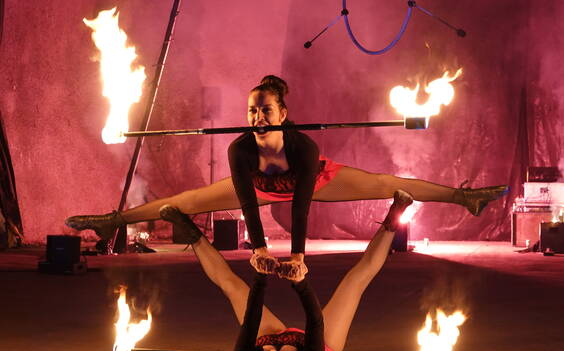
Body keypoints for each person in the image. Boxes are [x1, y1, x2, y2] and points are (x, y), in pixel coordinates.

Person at [66, 75, 508, 270]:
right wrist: (258, 248)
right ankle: (113, 220)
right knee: (185, 201)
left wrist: (296, 255)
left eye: (265, 110)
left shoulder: (303, 145)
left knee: (381, 183)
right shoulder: (240, 148)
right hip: (258, 189)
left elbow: (300, 208)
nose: (257, 117)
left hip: (309, 182)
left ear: (283, 113)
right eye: (252, 110)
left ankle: (463, 197)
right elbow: (245, 202)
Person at [158, 188, 414, 351]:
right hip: (320, 345)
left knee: (233, 287)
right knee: (355, 282)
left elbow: (251, 319)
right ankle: (394, 219)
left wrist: (260, 276)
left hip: (275, 335)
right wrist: (300, 282)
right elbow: (315, 320)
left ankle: (191, 234)